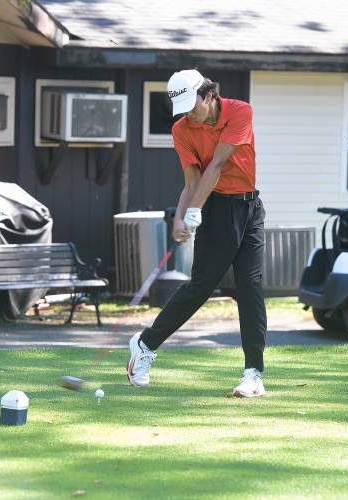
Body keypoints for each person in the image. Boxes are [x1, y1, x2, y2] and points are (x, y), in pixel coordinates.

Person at [127, 69, 267, 397]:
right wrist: (181, 217)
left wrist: (193, 210)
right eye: (184, 109)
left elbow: (217, 164)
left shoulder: (240, 112)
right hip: (217, 207)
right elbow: (193, 180)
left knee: (251, 287)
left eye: (194, 106)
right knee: (202, 286)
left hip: (250, 209)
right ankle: (145, 345)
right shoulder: (182, 129)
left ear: (209, 95)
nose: (190, 114)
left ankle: (253, 373)